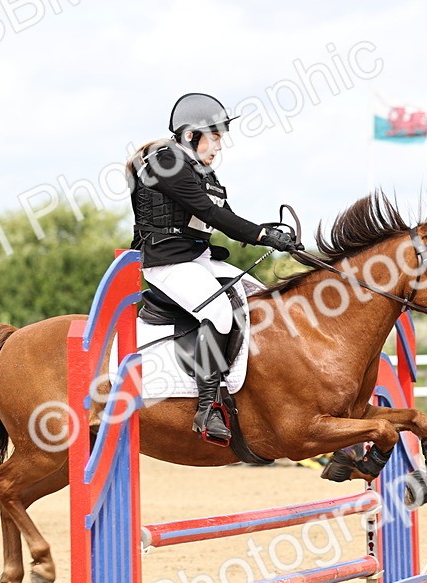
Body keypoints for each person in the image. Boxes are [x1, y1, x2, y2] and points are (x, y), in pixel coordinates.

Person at [126, 92, 299, 445]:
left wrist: (266, 232)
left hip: (197, 259)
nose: (219, 146)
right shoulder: (166, 162)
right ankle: (208, 407)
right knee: (219, 311)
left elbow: (226, 217)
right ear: (191, 135)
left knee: (261, 299)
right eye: (215, 137)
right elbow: (209, 213)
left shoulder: (202, 171)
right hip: (167, 262)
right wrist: (262, 235)